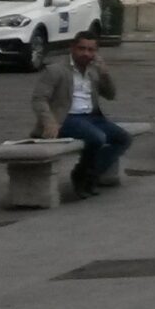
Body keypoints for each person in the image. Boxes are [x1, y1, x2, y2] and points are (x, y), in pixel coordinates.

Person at [32, 33, 131, 198]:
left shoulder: (93, 70)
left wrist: (105, 74)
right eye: (81, 48)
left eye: (91, 50)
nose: (86, 53)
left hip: (91, 117)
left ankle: (89, 174)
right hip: (66, 118)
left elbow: (111, 95)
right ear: (72, 48)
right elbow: (39, 98)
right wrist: (49, 122)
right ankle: (82, 176)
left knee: (123, 138)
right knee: (97, 138)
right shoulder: (56, 70)